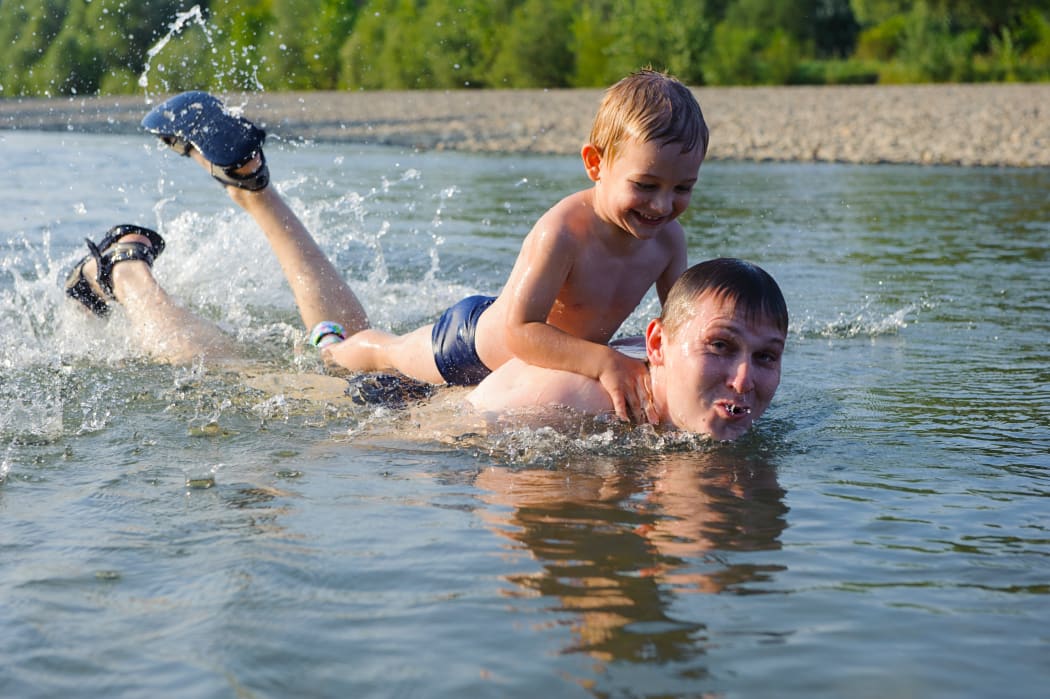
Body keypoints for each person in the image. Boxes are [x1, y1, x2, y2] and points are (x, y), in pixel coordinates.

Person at [65, 86, 784, 441]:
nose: (663, 206)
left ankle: (249, 183)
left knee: (362, 358)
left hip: (520, 365)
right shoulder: (563, 228)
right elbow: (526, 330)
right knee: (364, 351)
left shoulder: (668, 243)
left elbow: (674, 323)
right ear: (596, 165)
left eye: (683, 190)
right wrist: (600, 365)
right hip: (472, 343)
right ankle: (329, 342)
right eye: (647, 186)